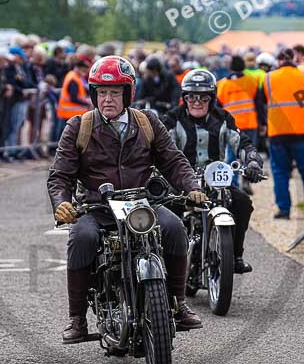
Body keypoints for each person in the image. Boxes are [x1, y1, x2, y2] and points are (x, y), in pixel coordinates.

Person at [47, 56, 205, 342]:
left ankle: (179, 303)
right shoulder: (78, 126)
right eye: (102, 92)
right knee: (81, 237)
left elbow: (174, 161)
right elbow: (60, 175)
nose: (108, 99)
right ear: (94, 94)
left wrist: (192, 186)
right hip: (97, 208)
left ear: (128, 93)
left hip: (142, 204)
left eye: (115, 92)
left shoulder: (147, 122)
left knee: (175, 228)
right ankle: (77, 319)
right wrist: (62, 203)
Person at [165, 69, 264, 273]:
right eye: (192, 96)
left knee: (242, 203)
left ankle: (235, 256)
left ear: (212, 98)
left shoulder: (223, 118)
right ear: (185, 98)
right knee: (168, 209)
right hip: (182, 180)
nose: (197, 102)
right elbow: (163, 147)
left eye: (204, 97)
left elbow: (241, 142)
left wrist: (253, 161)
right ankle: (167, 262)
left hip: (214, 180)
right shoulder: (172, 118)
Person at [265, 48, 304, 219]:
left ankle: (284, 209)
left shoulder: (269, 78)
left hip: (277, 133)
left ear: (279, 60)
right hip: (301, 132)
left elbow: (262, 100)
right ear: (294, 59)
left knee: (280, 172)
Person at [55, 56, 92, 142]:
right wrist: (87, 103)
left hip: (70, 113)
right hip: (70, 113)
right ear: (79, 68)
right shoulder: (73, 79)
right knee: (68, 136)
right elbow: (73, 98)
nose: (85, 73)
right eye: (84, 70)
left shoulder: (74, 76)